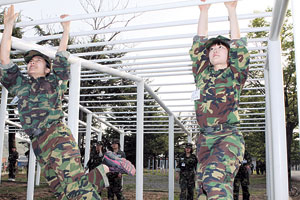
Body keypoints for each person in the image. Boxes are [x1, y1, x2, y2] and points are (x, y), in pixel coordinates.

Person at [0, 5, 135, 200]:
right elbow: (4, 59)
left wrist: (66, 30)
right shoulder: (20, 85)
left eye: (37, 60)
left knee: (76, 190)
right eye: (29, 61)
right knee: (62, 192)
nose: (31, 63)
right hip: (39, 144)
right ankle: (107, 166)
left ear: (48, 69)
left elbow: (62, 54)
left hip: (57, 138)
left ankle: (107, 166)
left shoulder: (54, 81)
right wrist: (8, 26)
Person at [189, 0, 250, 199]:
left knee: (213, 180)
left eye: (221, 48)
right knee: (203, 191)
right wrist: (204, 10)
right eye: (212, 49)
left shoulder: (235, 74)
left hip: (228, 136)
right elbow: (199, 43)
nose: (215, 50)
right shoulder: (201, 74)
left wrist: (231, 10)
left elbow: (238, 43)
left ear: (229, 55)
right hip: (204, 139)